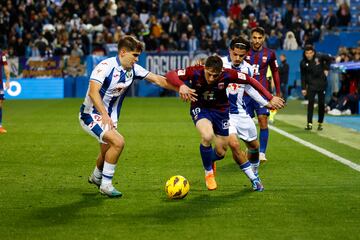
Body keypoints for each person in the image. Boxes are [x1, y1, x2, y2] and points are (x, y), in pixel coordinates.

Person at [79, 35, 196, 198]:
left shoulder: (134, 70)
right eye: (134, 55)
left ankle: (96, 177)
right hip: (91, 114)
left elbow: (159, 80)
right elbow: (93, 92)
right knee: (118, 142)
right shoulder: (105, 66)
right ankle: (105, 185)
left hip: (110, 117)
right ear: (123, 52)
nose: (136, 59)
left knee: (107, 150)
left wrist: (181, 88)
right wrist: (104, 115)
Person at [166, 55, 284, 191]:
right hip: (201, 108)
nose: (211, 78)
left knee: (221, 152)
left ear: (221, 71)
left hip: (221, 111)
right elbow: (171, 74)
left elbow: (250, 80)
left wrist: (270, 97)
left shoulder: (228, 74)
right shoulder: (196, 71)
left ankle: (211, 160)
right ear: (204, 68)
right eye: (209, 74)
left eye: (215, 76)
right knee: (207, 136)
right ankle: (209, 173)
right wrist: (181, 85)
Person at [221, 37, 272, 189]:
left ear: (246, 54)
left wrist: (267, 102)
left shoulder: (248, 68)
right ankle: (254, 180)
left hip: (240, 113)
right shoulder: (220, 63)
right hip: (223, 113)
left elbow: (251, 89)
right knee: (234, 144)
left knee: (254, 147)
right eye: (235, 54)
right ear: (230, 51)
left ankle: (255, 172)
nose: (237, 58)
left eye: (241, 55)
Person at [245, 27, 281, 163]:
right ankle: (250, 148)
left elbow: (275, 72)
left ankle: (261, 153)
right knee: (247, 124)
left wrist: (278, 93)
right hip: (246, 93)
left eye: (259, 38)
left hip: (262, 93)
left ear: (264, 38)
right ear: (251, 38)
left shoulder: (270, 54)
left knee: (263, 121)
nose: (257, 40)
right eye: (254, 37)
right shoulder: (244, 51)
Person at [300, 44, 333, 131]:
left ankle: (320, 123)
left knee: (321, 105)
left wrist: (326, 68)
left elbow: (330, 58)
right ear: (305, 53)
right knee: (310, 104)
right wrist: (303, 88)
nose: (308, 55)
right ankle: (309, 124)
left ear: (313, 52)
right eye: (307, 53)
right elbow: (303, 76)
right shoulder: (303, 63)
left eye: (310, 53)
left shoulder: (320, 56)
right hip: (311, 85)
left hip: (322, 84)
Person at [0, 50, 11, 133]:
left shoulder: (2, 54)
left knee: (0, 103)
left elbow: (6, 67)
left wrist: (8, 80)